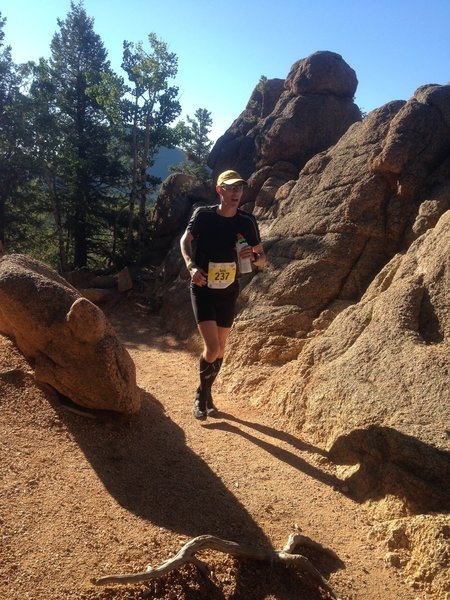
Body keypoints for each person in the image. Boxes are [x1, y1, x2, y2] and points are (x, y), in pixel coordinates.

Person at [180, 169, 266, 420]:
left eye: (239, 188)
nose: (236, 193)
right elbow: (185, 241)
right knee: (212, 347)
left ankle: (206, 393)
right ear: (220, 191)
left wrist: (255, 257)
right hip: (203, 287)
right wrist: (190, 266)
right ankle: (201, 397)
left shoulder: (246, 222)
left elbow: (263, 259)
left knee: (221, 350)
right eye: (230, 188)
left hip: (228, 291)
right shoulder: (203, 215)